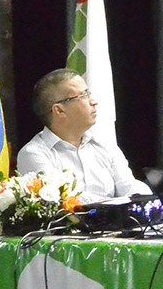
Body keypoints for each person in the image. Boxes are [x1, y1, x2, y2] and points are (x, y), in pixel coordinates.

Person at [17, 69, 151, 203]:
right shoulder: (33, 154)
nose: (93, 102)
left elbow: (128, 185)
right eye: (83, 95)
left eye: (88, 94)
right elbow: (66, 199)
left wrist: (145, 198)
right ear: (59, 110)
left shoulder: (104, 145)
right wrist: (116, 204)